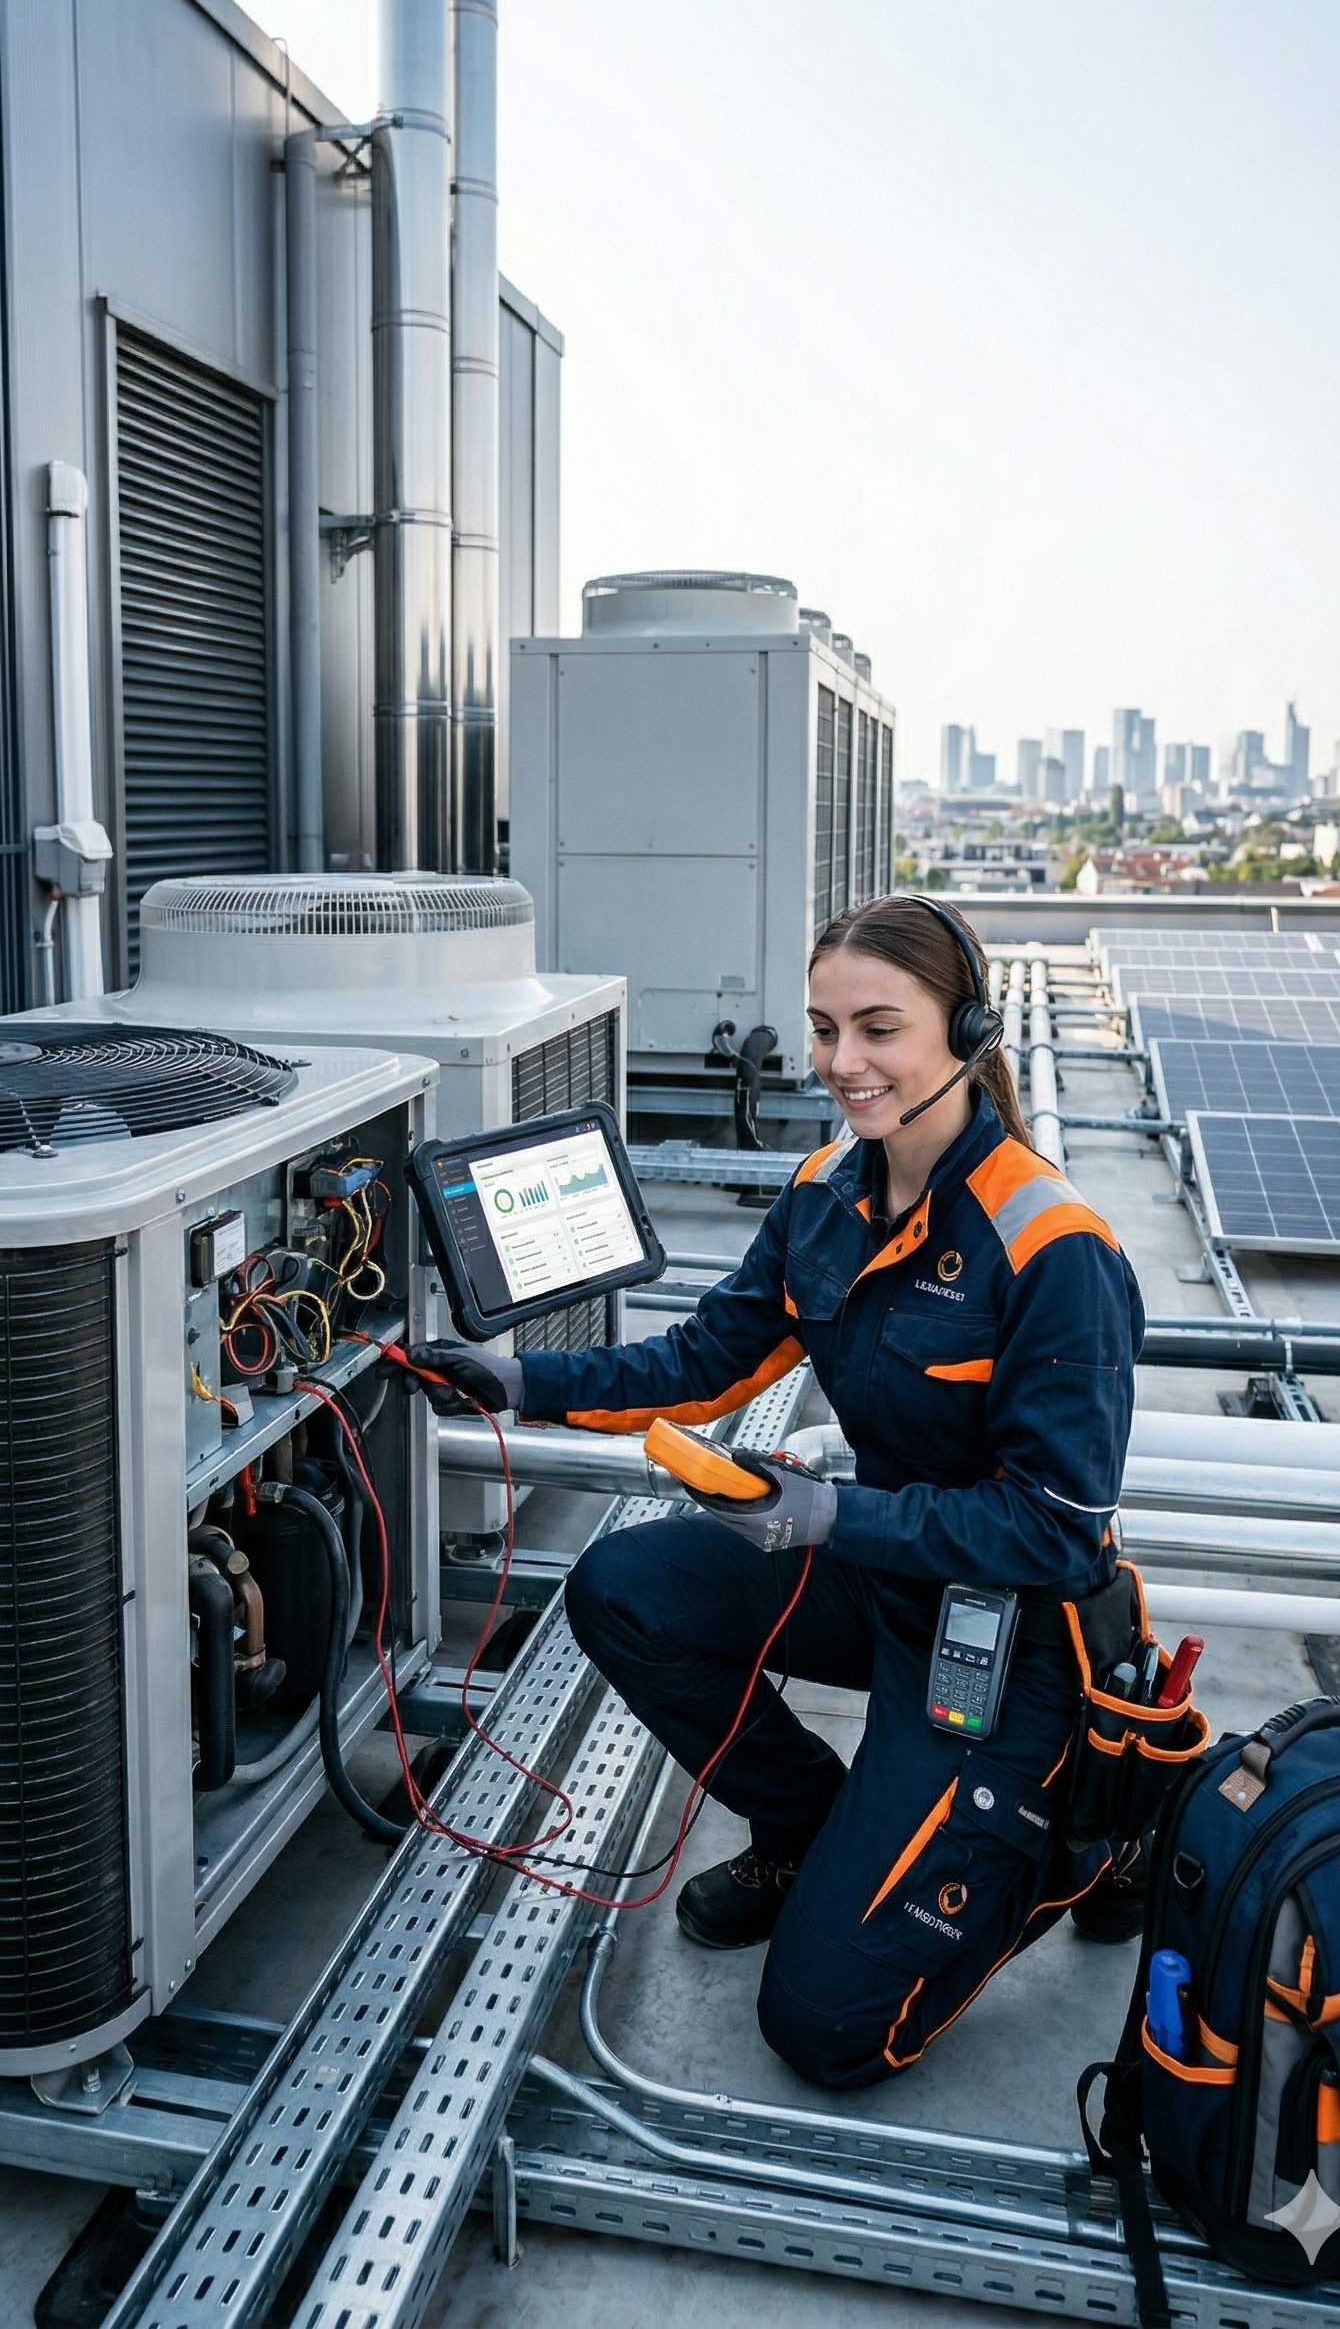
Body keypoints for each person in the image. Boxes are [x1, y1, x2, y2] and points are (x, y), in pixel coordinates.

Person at [410, 895, 1144, 2090]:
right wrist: (517, 1378)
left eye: (878, 1028)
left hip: (1008, 1633)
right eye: (820, 1028)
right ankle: (809, 1828)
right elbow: (701, 1365)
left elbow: (1057, 1530)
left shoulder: (1052, 1245)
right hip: (882, 1572)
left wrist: (832, 1514)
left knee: (826, 2028)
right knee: (627, 1586)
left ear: (965, 1029)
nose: (841, 1063)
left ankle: (1086, 1838)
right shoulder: (823, 1197)